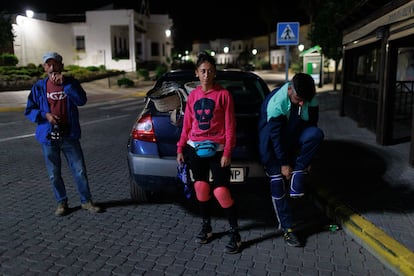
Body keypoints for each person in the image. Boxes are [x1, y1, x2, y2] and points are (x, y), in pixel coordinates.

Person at [176, 51, 241, 254]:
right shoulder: (193, 96)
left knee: (221, 191)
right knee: (201, 188)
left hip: (218, 149)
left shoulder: (224, 95)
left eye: (210, 71)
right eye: (203, 71)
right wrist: (180, 147)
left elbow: (230, 126)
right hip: (195, 147)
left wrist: (227, 152)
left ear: (214, 74)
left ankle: (235, 233)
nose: (206, 74)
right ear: (197, 73)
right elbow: (187, 124)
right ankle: (207, 227)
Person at [24, 52, 101, 216]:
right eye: (48, 64)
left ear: (61, 66)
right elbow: (30, 110)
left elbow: (81, 101)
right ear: (44, 67)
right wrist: (46, 116)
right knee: (54, 174)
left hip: (70, 135)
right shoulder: (39, 87)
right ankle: (62, 203)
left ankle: (86, 201)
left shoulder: (71, 83)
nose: (52, 67)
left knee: (79, 170)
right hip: (49, 137)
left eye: (55, 64)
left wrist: (66, 85)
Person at [258, 73, 324, 247]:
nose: (302, 103)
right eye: (298, 99)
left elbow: (312, 126)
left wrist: (304, 161)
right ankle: (287, 229)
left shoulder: (308, 97)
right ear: (289, 90)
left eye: (305, 100)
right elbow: (275, 138)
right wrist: (284, 163)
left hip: (292, 138)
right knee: (278, 183)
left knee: (316, 134)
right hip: (272, 143)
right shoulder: (277, 104)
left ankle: (298, 175)